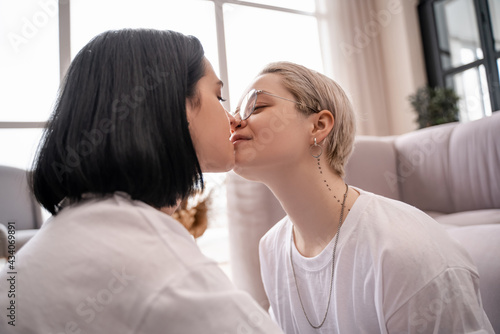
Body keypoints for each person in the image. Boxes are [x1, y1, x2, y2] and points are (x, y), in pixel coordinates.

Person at [0, 29, 283, 333]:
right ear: (174, 105)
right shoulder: (172, 277)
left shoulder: (37, 257)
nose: (233, 118)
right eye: (218, 96)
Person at [229, 61, 494, 333]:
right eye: (235, 111)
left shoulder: (404, 252)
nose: (234, 120)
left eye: (256, 107)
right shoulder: (271, 249)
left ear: (318, 125)